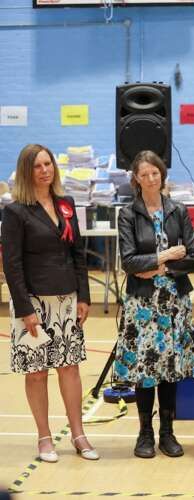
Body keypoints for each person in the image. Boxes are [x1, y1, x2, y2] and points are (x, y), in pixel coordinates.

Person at [2, 144, 98, 462]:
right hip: (32, 304)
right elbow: (12, 265)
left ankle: (78, 434)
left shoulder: (66, 204)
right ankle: (44, 438)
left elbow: (78, 253)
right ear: (26, 171)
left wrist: (83, 295)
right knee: (37, 372)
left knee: (69, 368)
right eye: (37, 166)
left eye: (48, 164)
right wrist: (25, 309)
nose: (45, 170)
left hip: (67, 299)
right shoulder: (15, 211)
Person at [115, 150, 194, 459]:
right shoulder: (128, 214)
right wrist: (165, 256)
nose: (151, 179)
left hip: (174, 300)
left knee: (170, 368)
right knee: (145, 368)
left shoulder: (178, 210)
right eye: (144, 174)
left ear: (162, 174)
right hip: (142, 303)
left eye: (155, 173)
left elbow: (193, 256)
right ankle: (145, 433)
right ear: (136, 179)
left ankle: (167, 432)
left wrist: (155, 267)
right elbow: (129, 262)